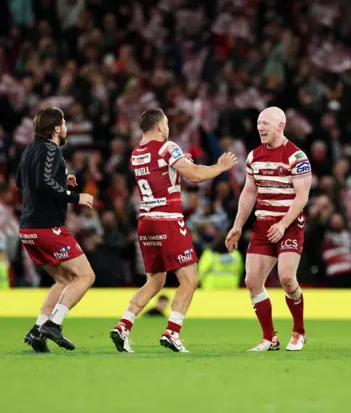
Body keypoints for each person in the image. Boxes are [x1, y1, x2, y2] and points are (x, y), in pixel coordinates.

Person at [109, 109, 237, 353]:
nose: (168, 129)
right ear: (159, 127)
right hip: (167, 220)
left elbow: (162, 173)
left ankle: (124, 325)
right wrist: (220, 167)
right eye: (166, 124)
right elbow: (196, 175)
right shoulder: (168, 147)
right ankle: (172, 332)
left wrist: (181, 162)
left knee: (155, 281)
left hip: (145, 222)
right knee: (189, 279)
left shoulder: (137, 153)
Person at [225, 107, 312, 352]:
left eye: (265, 124)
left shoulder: (297, 157)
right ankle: (269, 338)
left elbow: (302, 196)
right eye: (258, 123)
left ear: (280, 126)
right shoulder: (254, 157)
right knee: (252, 280)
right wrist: (237, 226)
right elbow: (249, 192)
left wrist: (283, 224)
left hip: (289, 224)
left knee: (286, 278)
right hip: (263, 225)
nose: (260, 128)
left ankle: (299, 332)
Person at [17, 107, 96, 353]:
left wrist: (61, 179)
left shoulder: (30, 149)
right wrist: (75, 196)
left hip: (28, 229)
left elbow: (22, 181)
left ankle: (37, 329)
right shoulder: (51, 149)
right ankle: (54, 323)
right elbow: (43, 183)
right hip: (47, 227)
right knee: (86, 276)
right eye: (63, 123)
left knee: (63, 279)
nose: (66, 127)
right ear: (56, 128)